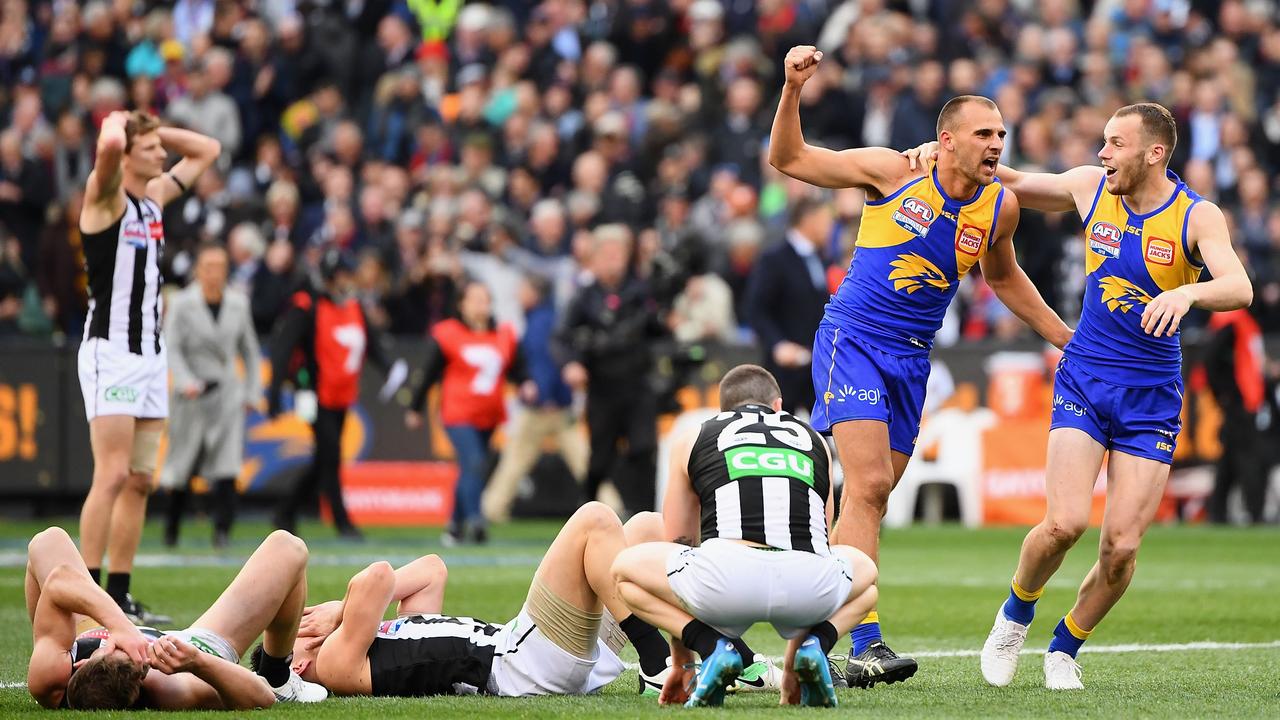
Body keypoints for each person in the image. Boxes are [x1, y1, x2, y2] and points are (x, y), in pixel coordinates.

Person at [903, 103, 1253, 690]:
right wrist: (936, 153)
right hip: (1086, 377)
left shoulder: (1197, 216)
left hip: (1152, 396)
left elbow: (1238, 285)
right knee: (1063, 524)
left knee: (1120, 548)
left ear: (1154, 153)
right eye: (1103, 142)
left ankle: (1065, 646)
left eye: (1115, 144)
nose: (1102, 154)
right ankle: (1015, 615)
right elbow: (1006, 178)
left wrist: (1189, 297)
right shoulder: (1092, 189)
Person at [767, 46, 1072, 688]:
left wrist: (1063, 338)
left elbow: (1005, 279)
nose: (996, 144)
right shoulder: (894, 172)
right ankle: (863, 642)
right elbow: (789, 159)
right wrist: (792, 90)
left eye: (1001, 135)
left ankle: (810, 602)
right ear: (946, 140)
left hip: (912, 360)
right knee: (870, 485)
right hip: (853, 338)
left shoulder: (1000, 207)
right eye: (984, 134)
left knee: (866, 500)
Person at [611, 365, 880, 708]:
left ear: (723, 411)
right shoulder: (813, 439)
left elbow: (679, 540)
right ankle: (813, 647)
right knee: (866, 577)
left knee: (622, 571)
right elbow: (821, 538)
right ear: (778, 405)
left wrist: (683, 661)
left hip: (725, 582)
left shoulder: (696, 436)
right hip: (807, 588)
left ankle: (712, 648)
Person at [282, 503, 674, 700]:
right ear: (298, 665)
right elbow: (378, 577)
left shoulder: (381, 640)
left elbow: (433, 570)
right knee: (595, 519)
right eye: (296, 631)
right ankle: (657, 664)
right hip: (524, 663)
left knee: (645, 527)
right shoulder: (334, 664)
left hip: (539, 656)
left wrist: (350, 611)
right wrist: (341, 610)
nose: (309, 617)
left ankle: (704, 654)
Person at [76, 110, 220, 625]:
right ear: (130, 151)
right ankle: (86, 594)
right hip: (110, 352)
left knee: (139, 479)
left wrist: (154, 129)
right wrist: (119, 123)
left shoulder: (154, 197)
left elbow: (207, 149)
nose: (163, 154)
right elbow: (110, 148)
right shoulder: (105, 195)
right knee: (111, 473)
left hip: (149, 355)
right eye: (153, 147)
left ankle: (119, 592)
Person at [24, 526, 326, 710]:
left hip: (99, 628)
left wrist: (119, 625)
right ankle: (280, 675)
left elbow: (58, 579)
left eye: (114, 647)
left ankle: (97, 622)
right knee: (288, 548)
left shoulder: (52, 676)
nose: (137, 646)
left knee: (46, 542)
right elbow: (261, 697)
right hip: (189, 652)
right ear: (144, 676)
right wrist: (197, 661)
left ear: (81, 663)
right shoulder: (172, 687)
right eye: (135, 654)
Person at [268, 249, 407, 540]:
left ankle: (286, 510)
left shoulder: (353, 306)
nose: (347, 281)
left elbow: (371, 344)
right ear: (330, 278)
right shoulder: (306, 305)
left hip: (343, 396)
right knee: (330, 454)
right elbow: (282, 350)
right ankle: (343, 521)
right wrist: (275, 392)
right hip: (312, 394)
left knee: (324, 457)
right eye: (342, 275)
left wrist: (389, 369)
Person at [406, 279, 531, 545]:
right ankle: (476, 520)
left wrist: (525, 383)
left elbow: (517, 367)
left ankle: (454, 525)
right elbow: (429, 372)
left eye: (484, 300)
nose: (480, 306)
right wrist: (415, 407)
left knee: (471, 469)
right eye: (474, 299)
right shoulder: (449, 333)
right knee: (474, 462)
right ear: (461, 304)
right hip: (457, 412)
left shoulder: (503, 334)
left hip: (489, 414)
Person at [556, 224, 668, 515]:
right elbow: (561, 336)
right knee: (600, 459)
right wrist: (571, 363)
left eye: (619, 253)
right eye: (608, 254)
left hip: (637, 384)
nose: (614, 260)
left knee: (644, 449)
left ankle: (645, 515)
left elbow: (658, 329)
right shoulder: (584, 296)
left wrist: (666, 320)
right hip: (603, 387)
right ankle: (585, 510)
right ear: (594, 258)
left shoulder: (640, 291)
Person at [159, 242, 262, 549]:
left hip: (228, 391)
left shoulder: (238, 303)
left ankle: (222, 531)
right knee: (182, 463)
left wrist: (251, 391)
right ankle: (172, 528)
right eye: (208, 266)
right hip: (192, 394)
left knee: (228, 463)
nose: (214, 273)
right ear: (198, 270)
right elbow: (171, 345)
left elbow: (250, 351)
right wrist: (185, 380)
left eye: (220, 266)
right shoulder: (181, 303)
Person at [481, 274, 591, 524]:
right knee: (583, 460)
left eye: (524, 288)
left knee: (515, 459)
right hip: (560, 405)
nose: (519, 293)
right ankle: (612, 506)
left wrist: (545, 395)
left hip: (544, 406)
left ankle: (492, 509)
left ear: (535, 293)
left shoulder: (540, 322)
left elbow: (545, 363)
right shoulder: (549, 317)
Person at [744, 196, 834, 415]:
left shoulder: (821, 260)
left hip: (816, 367)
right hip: (784, 372)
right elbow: (755, 308)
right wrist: (778, 345)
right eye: (825, 221)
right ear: (809, 220)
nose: (830, 229)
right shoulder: (774, 259)